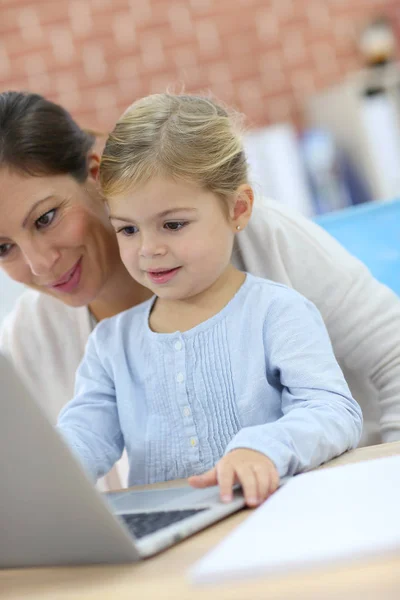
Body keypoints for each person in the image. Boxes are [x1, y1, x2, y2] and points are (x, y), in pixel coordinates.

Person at [0, 91, 399, 485]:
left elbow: (342, 396)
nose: (39, 263)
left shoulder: (275, 303)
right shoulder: (105, 344)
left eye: (46, 217)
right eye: (129, 230)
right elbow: (84, 432)